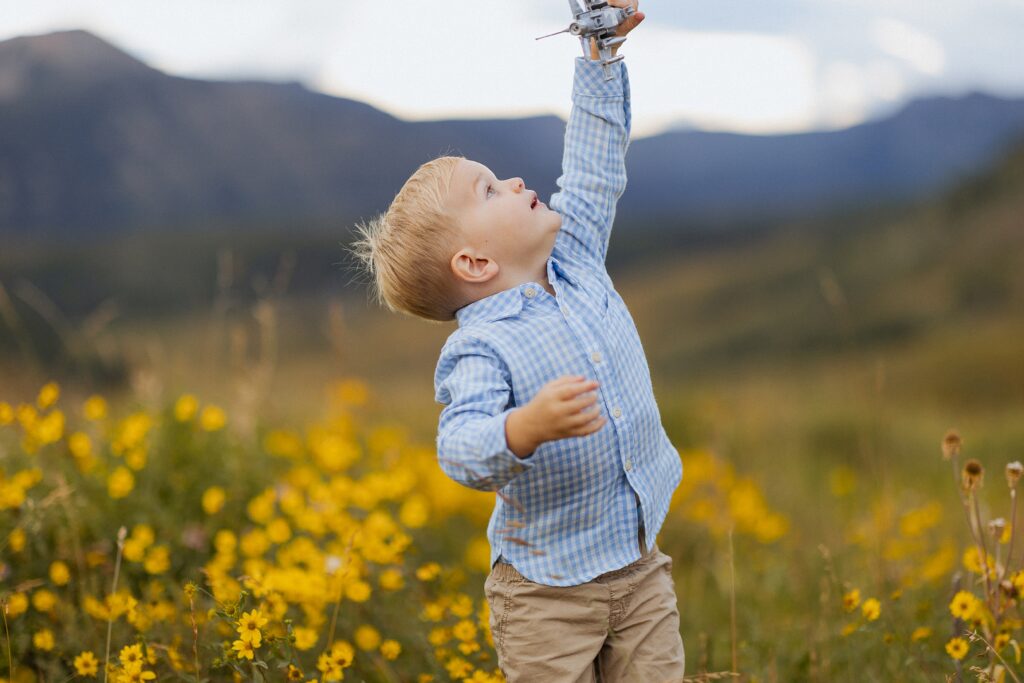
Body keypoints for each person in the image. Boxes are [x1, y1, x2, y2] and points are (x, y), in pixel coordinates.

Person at [349, 2, 684, 679]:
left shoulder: (577, 257)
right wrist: (523, 427)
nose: (518, 183)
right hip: (546, 595)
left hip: (640, 563)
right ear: (474, 263)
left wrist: (601, 55)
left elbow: (592, 168)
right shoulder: (480, 349)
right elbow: (460, 446)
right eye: (491, 189)